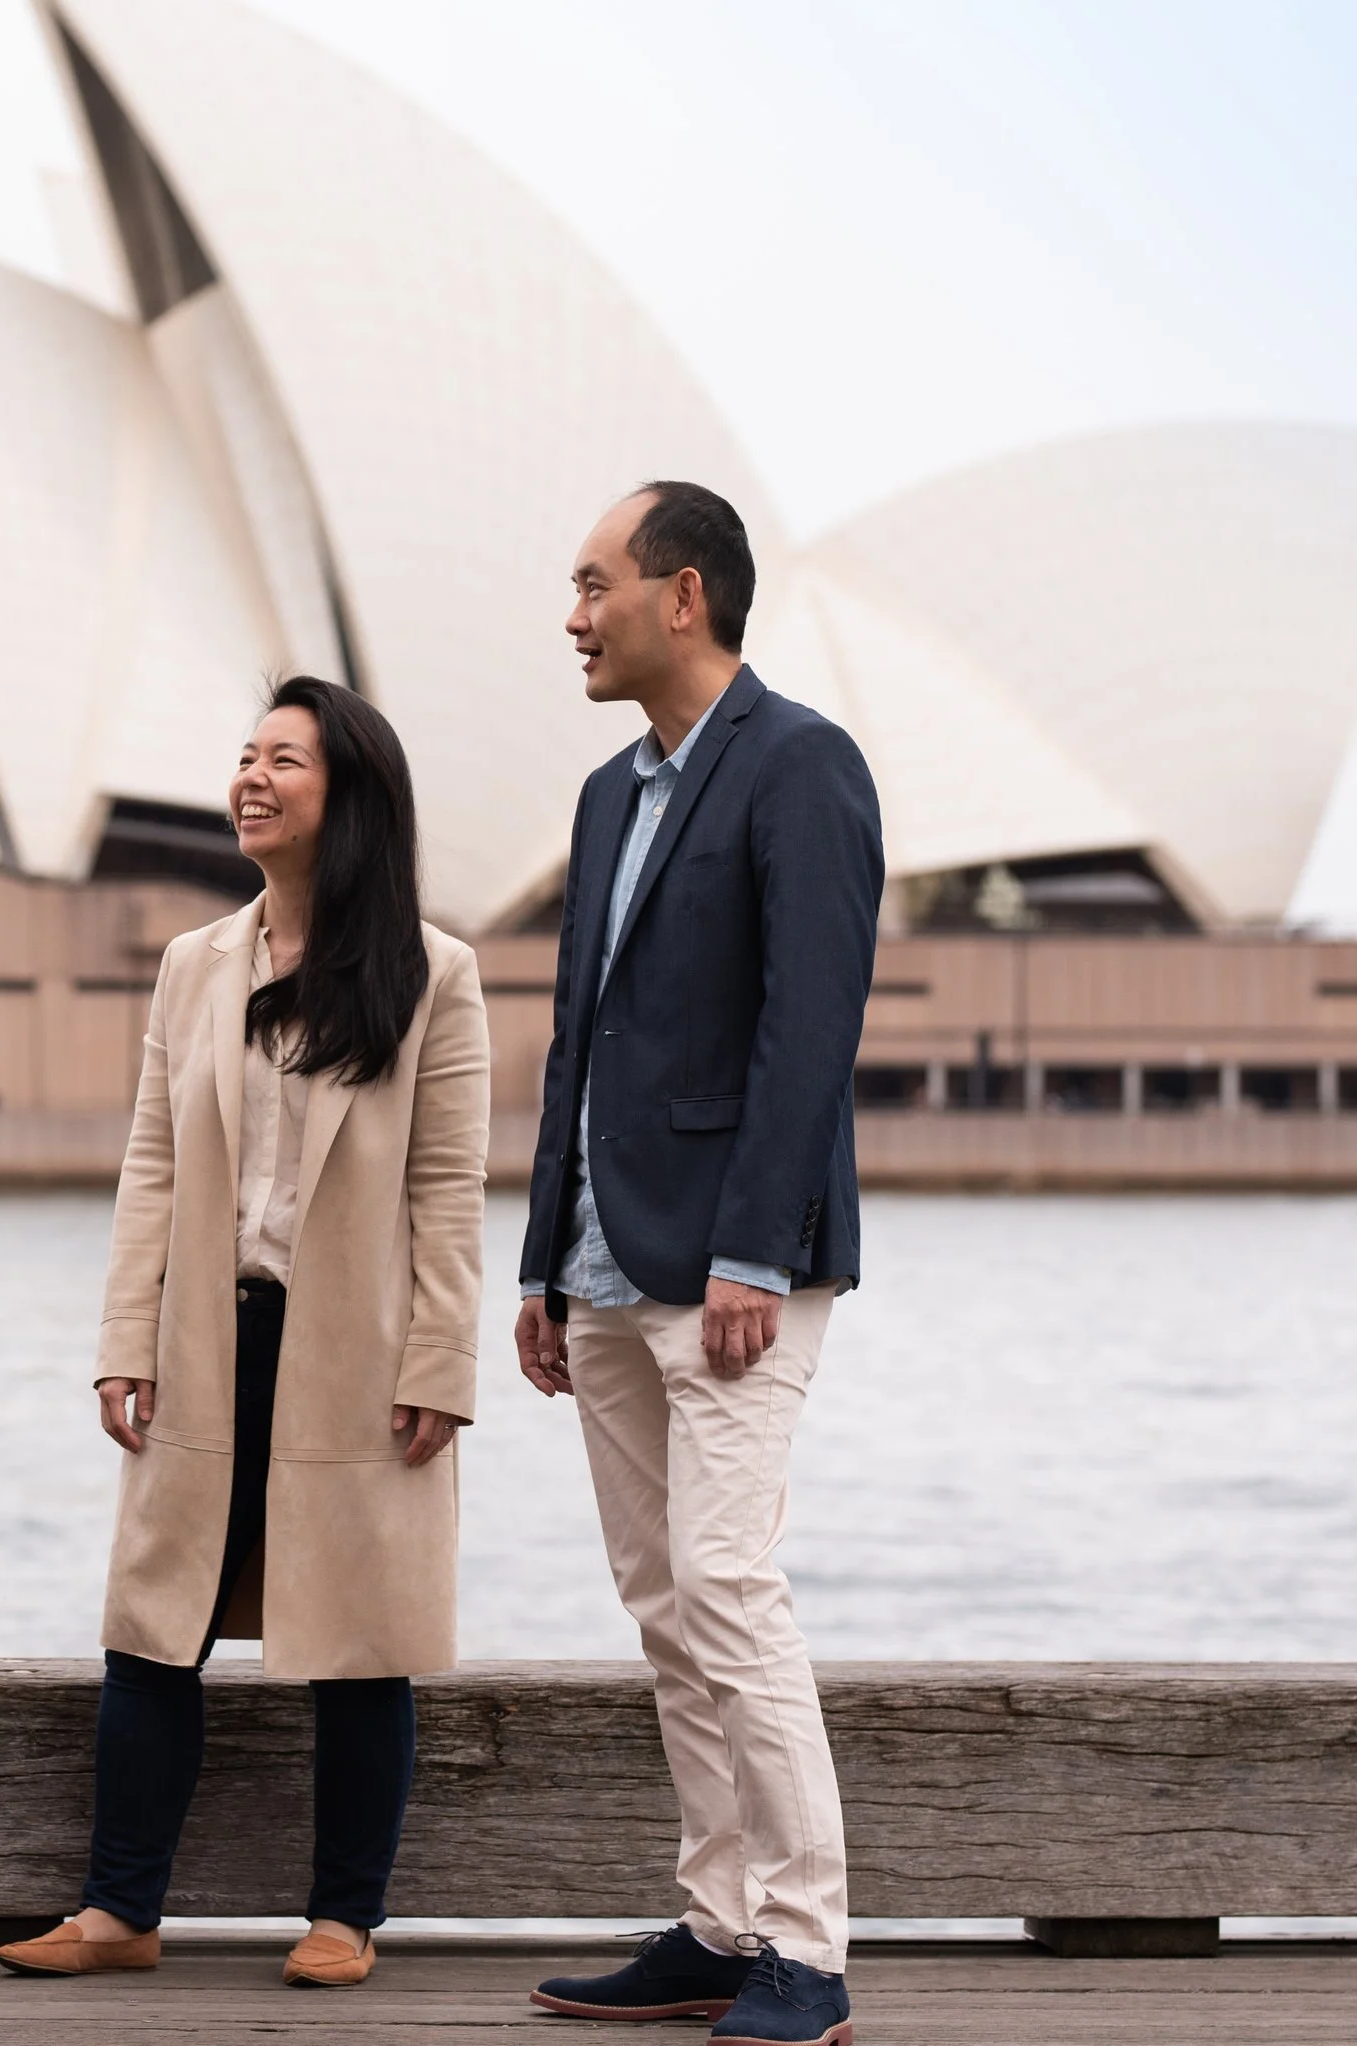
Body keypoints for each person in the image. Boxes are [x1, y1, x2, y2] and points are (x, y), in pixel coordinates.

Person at [0, 677, 490, 1991]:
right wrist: (125, 1337)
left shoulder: (434, 973)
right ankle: (119, 1909)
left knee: (360, 1634)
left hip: (358, 1349)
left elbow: (448, 1187)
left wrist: (442, 1360)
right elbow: (150, 1164)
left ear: (351, 796)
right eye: (247, 755)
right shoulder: (194, 964)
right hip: (209, 1336)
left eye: (287, 759)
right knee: (153, 1621)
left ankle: (345, 1915)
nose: (252, 777)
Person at [515, 483, 880, 2046]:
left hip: (736, 1268)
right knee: (665, 1603)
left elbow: (813, 1027)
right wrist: (540, 1258)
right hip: (605, 1269)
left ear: (683, 595)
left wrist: (749, 1247)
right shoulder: (607, 795)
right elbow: (575, 1040)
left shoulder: (801, 764)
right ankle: (719, 1921)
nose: (574, 614)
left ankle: (807, 1948)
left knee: (731, 1587)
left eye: (594, 583)